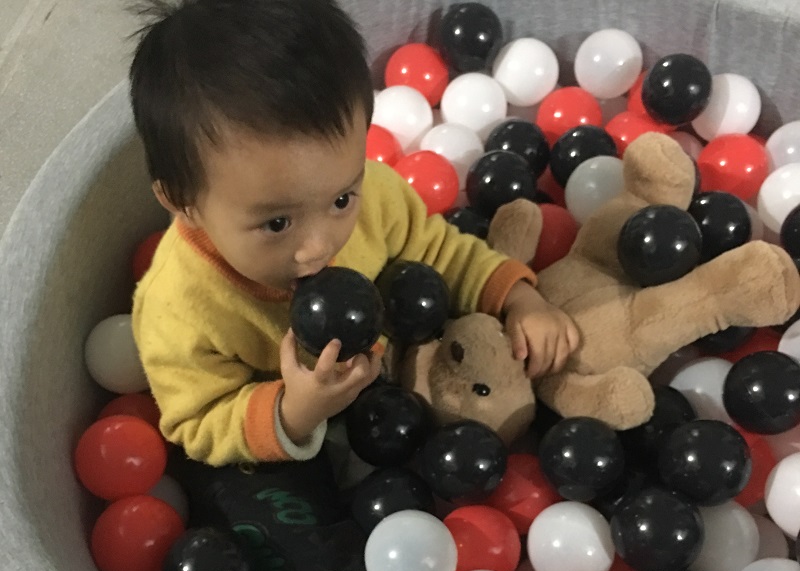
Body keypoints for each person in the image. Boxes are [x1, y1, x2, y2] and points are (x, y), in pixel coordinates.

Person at [129, 0, 579, 468]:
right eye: (277, 223)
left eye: (342, 200)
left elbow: (439, 249)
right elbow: (197, 420)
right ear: (183, 202)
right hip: (291, 442)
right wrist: (294, 412)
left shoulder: (377, 194)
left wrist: (519, 298)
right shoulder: (177, 309)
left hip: (402, 380)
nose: (319, 247)